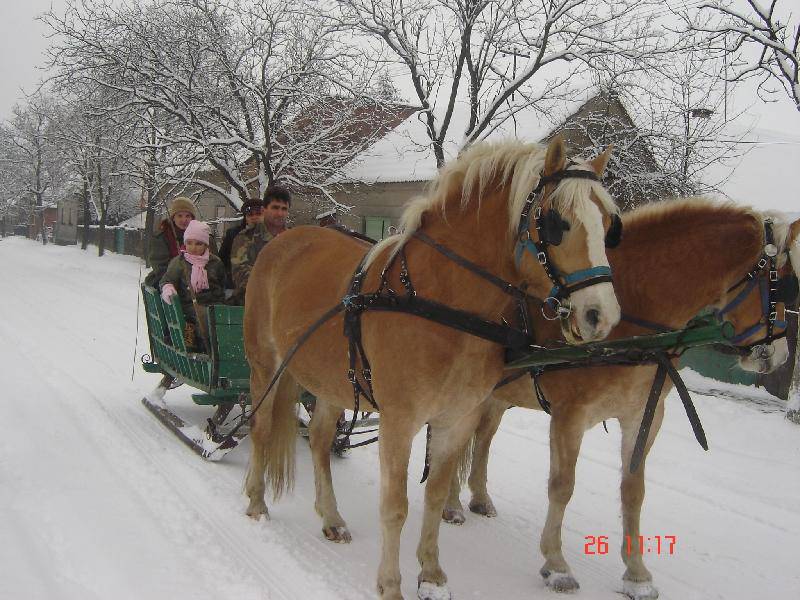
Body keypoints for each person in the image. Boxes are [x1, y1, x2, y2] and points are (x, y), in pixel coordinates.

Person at [160, 220, 226, 351]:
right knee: (196, 321)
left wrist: (219, 301)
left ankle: (220, 349)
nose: (193, 247)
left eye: (198, 244)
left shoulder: (215, 262)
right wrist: (168, 288)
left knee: (222, 319)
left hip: (213, 305)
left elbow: (222, 284)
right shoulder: (179, 262)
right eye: (189, 243)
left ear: (206, 245)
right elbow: (166, 280)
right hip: (188, 307)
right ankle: (196, 347)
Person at [229, 185, 291, 305]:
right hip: (253, 305)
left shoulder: (293, 239)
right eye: (275, 207)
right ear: (264, 210)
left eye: (284, 209)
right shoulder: (246, 238)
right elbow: (241, 276)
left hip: (288, 305)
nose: (279, 213)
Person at [144, 197, 197, 288]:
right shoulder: (162, 237)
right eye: (179, 216)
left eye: (187, 216)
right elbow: (160, 267)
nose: (184, 220)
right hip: (166, 281)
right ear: (173, 218)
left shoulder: (199, 236)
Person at [218, 198, 263, 288]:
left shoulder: (272, 235)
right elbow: (222, 261)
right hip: (236, 286)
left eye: (258, 214)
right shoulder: (233, 235)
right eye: (250, 215)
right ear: (245, 217)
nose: (254, 217)